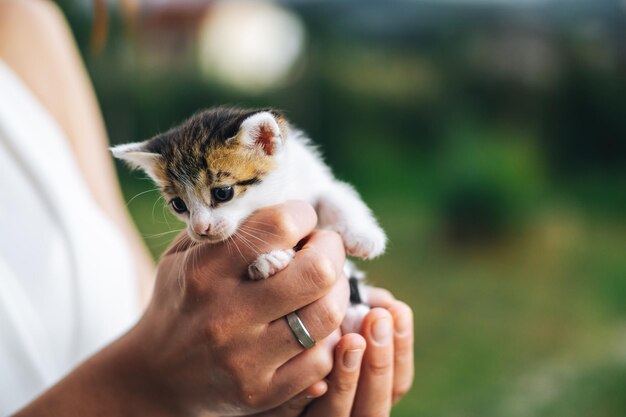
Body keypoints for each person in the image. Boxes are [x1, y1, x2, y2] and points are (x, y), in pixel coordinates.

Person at [0, 1, 414, 416]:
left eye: (220, 194)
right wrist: (151, 385)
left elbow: (158, 314)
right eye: (180, 205)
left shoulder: (29, 28)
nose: (199, 225)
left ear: (266, 144)